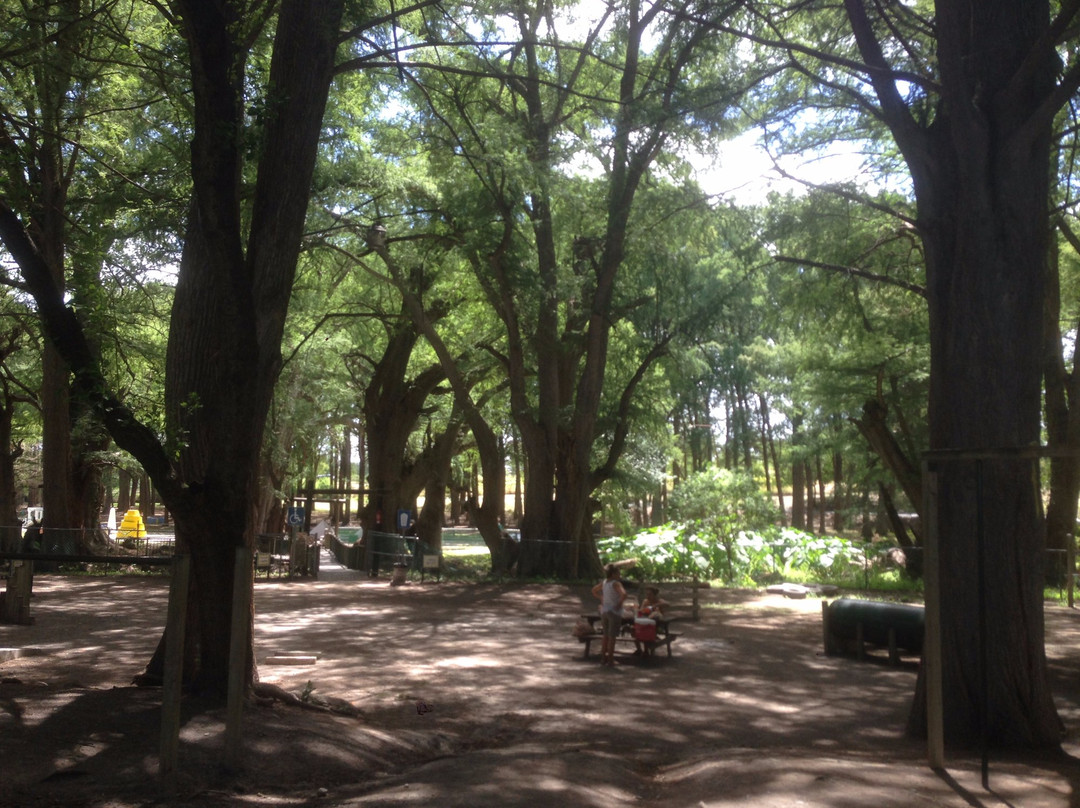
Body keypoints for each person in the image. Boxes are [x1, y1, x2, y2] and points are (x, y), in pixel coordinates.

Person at [591, 563, 626, 667]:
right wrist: (619, 604)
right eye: (618, 573)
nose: (620, 575)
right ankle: (610, 659)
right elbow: (624, 594)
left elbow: (593, 590)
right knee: (612, 637)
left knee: (605, 636)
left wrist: (601, 598)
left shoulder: (605, 582)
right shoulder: (616, 583)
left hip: (604, 611)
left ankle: (603, 658)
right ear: (614, 574)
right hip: (614, 612)